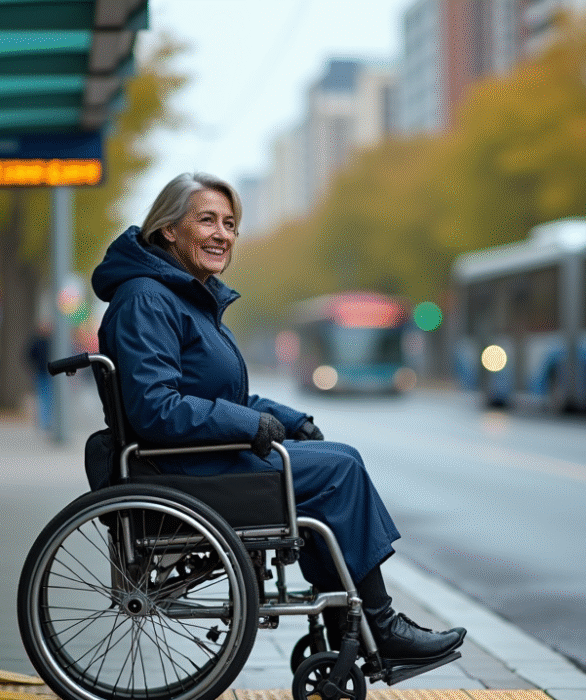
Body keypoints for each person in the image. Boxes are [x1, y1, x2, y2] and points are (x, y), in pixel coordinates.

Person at [90, 172, 466, 665]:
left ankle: (349, 630)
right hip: (183, 469)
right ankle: (380, 626)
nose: (222, 234)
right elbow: (157, 408)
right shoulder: (147, 299)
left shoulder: (181, 297)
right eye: (206, 220)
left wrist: (289, 419)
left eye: (230, 224)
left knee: (327, 460)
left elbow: (223, 395)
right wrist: (248, 426)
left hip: (198, 460)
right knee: (338, 471)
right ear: (168, 230)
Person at [25, 321, 54, 430]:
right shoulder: (37, 342)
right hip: (41, 372)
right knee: (43, 397)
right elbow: (29, 356)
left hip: (50, 373)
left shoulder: (51, 341)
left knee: (48, 398)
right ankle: (44, 422)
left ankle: (48, 421)